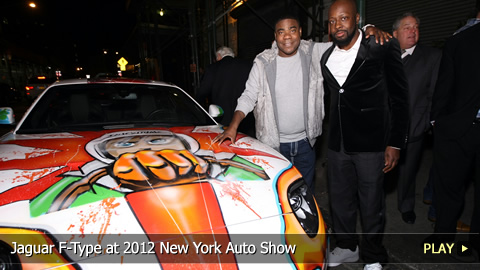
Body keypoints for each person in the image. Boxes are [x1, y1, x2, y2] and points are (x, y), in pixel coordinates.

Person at [212, 14, 390, 192]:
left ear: (300, 32)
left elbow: (345, 44)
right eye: (281, 32)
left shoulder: (313, 52)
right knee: (279, 193)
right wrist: (233, 126)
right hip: (274, 145)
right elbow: (249, 95)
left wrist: (367, 29)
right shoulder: (263, 62)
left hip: (306, 143)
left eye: (292, 30)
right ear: (275, 36)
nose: (287, 36)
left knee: (306, 192)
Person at [321, 1, 409, 269]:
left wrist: (395, 142)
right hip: (337, 144)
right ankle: (347, 246)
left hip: (372, 142)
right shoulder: (326, 57)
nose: (338, 25)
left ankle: (373, 256)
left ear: (357, 19)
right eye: (332, 21)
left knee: (371, 204)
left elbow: (400, 98)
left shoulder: (381, 46)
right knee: (339, 200)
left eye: (344, 19)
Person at [425, 1, 480, 259]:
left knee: (449, 191)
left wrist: (438, 121)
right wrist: (437, 121)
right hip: (458, 128)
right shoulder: (460, 40)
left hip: (457, 128)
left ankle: (443, 242)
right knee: (448, 190)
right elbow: (445, 84)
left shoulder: (459, 39)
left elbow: (444, 86)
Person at [391, 12, 441, 225]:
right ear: (395, 34)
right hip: (384, 127)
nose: (413, 31)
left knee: (408, 170)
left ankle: (406, 205)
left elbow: (435, 94)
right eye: (407, 27)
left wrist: (426, 122)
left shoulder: (431, 56)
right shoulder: (385, 54)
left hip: (414, 125)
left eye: (416, 27)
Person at [196, 46, 254, 136]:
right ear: (233, 55)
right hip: (245, 117)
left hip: (222, 118)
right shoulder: (247, 65)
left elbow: (203, 92)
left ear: (219, 56)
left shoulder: (212, 68)